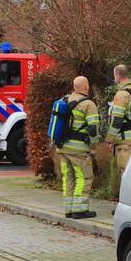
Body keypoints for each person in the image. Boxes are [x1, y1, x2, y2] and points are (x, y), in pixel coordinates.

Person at [59, 76, 99, 219]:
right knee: (84, 177)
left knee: (68, 178)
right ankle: (79, 210)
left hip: (63, 148)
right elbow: (93, 129)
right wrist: (94, 145)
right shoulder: (88, 104)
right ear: (86, 87)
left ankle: (68, 210)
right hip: (79, 150)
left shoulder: (65, 101)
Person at [105, 64, 131, 193]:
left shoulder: (121, 95)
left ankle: (126, 207)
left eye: (114, 75)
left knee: (126, 174)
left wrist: (109, 139)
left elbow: (117, 120)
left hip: (126, 142)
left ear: (118, 76)